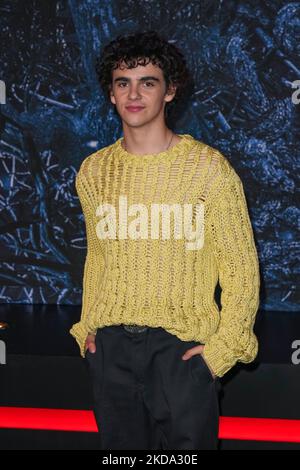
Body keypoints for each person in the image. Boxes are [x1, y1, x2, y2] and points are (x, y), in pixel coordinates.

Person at [70, 30, 260, 450]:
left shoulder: (210, 171)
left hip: (182, 352)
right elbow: (98, 259)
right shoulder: (93, 172)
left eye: (148, 82)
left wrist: (220, 354)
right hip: (111, 350)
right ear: (111, 94)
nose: (134, 94)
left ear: (169, 91)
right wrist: (88, 330)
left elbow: (241, 273)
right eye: (123, 83)